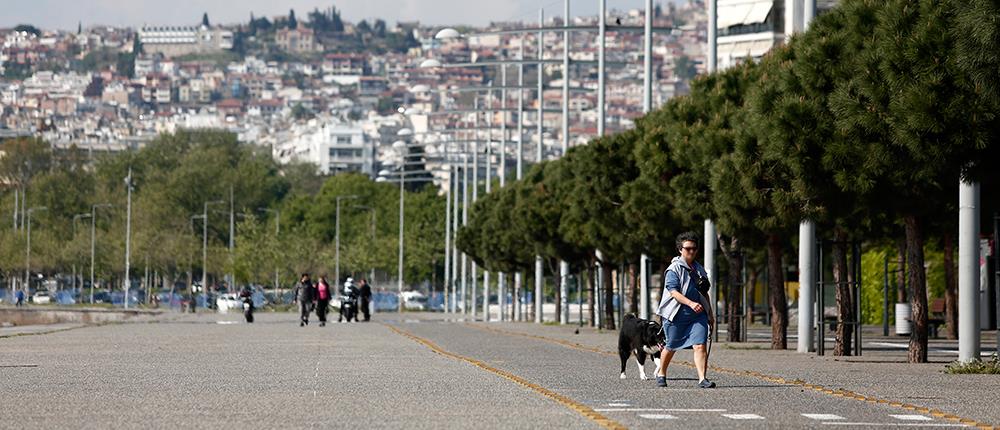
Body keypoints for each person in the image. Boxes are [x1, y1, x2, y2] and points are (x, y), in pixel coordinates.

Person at [654, 231, 716, 389]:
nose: (692, 251)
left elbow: (704, 293)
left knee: (700, 344)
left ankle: (702, 379)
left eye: (694, 248)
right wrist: (690, 303)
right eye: (688, 248)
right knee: (671, 346)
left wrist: (710, 313)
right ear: (680, 249)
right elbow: (673, 292)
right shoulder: (673, 269)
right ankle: (662, 372)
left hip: (697, 315)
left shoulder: (699, 269)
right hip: (676, 315)